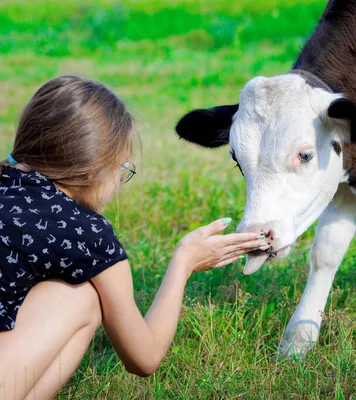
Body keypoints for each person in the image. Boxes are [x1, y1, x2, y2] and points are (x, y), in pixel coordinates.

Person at [0, 76, 268, 399]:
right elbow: (145, 356)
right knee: (82, 299)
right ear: (91, 171)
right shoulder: (86, 233)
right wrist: (183, 262)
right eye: (121, 168)